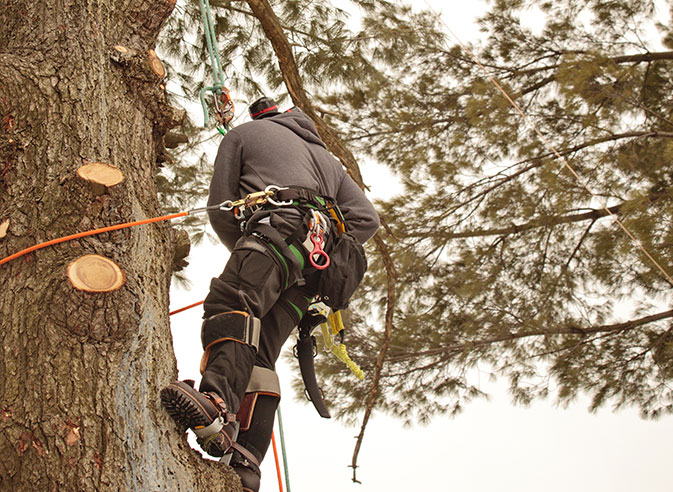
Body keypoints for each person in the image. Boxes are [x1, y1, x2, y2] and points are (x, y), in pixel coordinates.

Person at [160, 97, 380, 492]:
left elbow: (218, 208)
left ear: (262, 116)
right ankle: (246, 460)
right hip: (314, 270)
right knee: (260, 351)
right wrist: (330, 251)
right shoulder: (328, 161)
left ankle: (216, 403)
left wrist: (250, 249)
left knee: (234, 301)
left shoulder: (245, 134)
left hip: (277, 228)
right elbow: (367, 218)